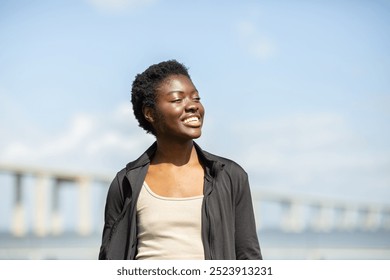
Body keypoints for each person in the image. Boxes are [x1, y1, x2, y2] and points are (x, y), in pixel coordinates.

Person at [98, 60, 262, 260]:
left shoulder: (230, 176)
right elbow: (109, 260)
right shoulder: (126, 183)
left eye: (196, 98)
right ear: (150, 113)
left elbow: (249, 258)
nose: (192, 106)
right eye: (177, 100)